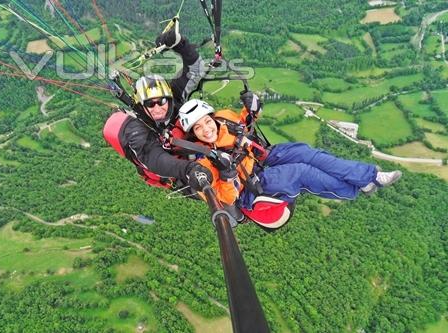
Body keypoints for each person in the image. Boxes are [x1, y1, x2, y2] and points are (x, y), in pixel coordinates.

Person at [178, 94, 402, 223]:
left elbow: (244, 123)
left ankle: (368, 177)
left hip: (260, 157)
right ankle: (352, 188)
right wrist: (227, 177)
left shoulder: (224, 118)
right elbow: (225, 200)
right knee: (302, 172)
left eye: (206, 121)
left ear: (211, 117)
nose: (206, 129)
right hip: (251, 185)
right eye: (198, 128)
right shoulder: (203, 162)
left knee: (307, 153)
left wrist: (252, 107)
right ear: (193, 134)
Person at [104, 20, 213, 193]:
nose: (157, 108)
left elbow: (195, 69)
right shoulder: (135, 129)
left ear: (169, 98)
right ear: (142, 105)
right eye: (150, 104)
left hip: (196, 150)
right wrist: (187, 169)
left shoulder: (175, 97)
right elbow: (153, 158)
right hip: (180, 174)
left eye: (161, 101)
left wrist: (180, 45)